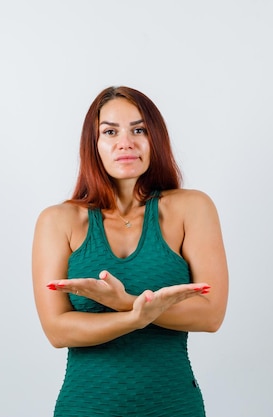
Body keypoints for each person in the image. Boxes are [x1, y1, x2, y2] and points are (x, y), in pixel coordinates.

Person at [32, 86, 228, 417]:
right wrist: (138, 317)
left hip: (173, 405)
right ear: (93, 145)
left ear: (156, 140)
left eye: (139, 130)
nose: (126, 142)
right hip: (86, 407)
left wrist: (125, 303)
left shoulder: (191, 208)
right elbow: (57, 330)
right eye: (110, 131)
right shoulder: (58, 221)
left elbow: (210, 316)